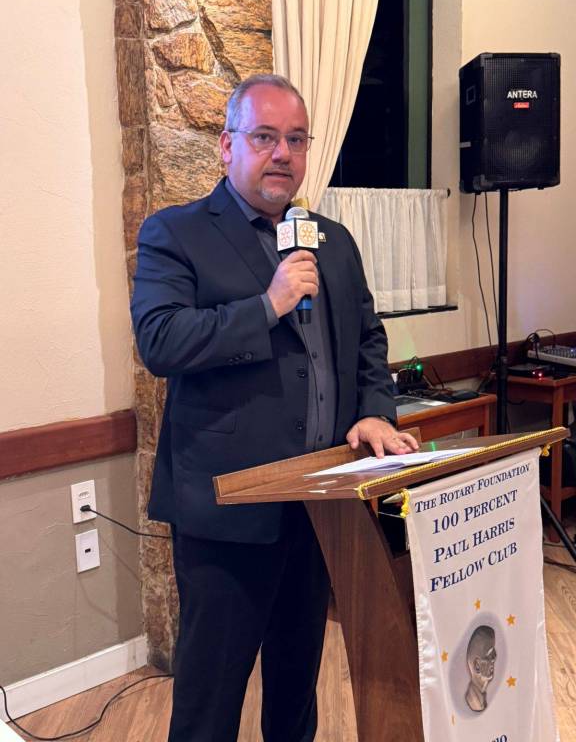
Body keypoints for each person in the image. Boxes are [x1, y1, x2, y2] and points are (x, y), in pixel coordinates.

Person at [131, 73, 419, 742]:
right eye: (264, 137)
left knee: (295, 689)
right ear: (227, 145)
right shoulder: (176, 232)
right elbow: (160, 340)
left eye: (296, 139)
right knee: (209, 702)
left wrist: (376, 410)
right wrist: (268, 305)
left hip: (319, 507)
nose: (282, 153)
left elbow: (367, 340)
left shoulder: (332, 240)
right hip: (228, 511)